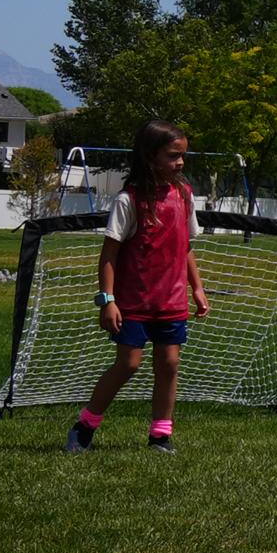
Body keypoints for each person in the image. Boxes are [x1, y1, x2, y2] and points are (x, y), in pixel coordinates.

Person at [70, 120, 206, 452]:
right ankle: (84, 426)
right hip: (133, 304)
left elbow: (185, 247)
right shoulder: (129, 200)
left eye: (183, 156)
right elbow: (109, 255)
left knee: (170, 364)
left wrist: (197, 288)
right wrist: (108, 300)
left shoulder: (184, 195)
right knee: (129, 364)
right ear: (150, 157)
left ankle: (160, 435)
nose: (180, 163)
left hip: (171, 302)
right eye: (174, 155)